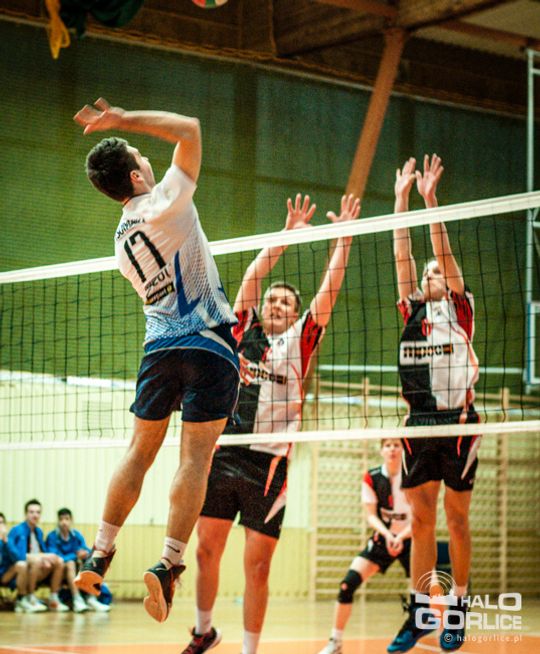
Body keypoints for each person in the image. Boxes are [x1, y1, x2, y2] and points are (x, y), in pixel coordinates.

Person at [72, 98, 240, 623]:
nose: (148, 158)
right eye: (140, 155)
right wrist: (122, 120)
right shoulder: (166, 200)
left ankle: (100, 551)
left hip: (158, 350)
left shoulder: (120, 240)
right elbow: (190, 127)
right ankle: (167, 564)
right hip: (209, 344)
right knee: (195, 459)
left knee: (139, 451)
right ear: (136, 176)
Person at [181, 193, 360, 654]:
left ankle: (249, 650)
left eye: (286, 302)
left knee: (257, 566)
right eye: (273, 300)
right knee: (205, 549)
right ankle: (204, 632)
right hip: (224, 452)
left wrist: (342, 241)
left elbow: (328, 294)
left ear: (296, 313)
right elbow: (252, 277)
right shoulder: (243, 330)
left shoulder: (301, 341)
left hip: (269, 464)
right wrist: (284, 236)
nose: (277, 305)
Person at [389, 155, 481, 653]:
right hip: (418, 423)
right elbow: (402, 255)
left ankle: (458, 608)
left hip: (459, 420)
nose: (431, 275)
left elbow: (440, 252)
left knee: (456, 517)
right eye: (427, 274)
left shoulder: (460, 309)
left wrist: (430, 202)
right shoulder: (412, 310)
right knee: (421, 520)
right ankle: (423, 612)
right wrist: (400, 201)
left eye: (437, 273)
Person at [318, 439, 412, 654]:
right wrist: (388, 535)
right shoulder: (372, 477)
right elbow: (371, 516)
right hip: (383, 539)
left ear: (403, 449)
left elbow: (421, 516)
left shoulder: (413, 475)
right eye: (387, 445)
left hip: (411, 539)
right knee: (347, 585)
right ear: (381, 450)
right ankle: (335, 642)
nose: (392, 449)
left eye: (396, 445)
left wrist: (401, 536)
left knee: (432, 589)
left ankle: (447, 638)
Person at [8, 500, 69, 612]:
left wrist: (46, 559)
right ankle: (30, 597)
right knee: (36, 560)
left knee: (59, 561)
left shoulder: (38, 532)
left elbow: (44, 551)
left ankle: (53, 598)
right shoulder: (16, 530)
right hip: (20, 569)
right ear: (25, 514)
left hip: (38, 569)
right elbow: (15, 556)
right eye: (31, 512)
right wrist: (41, 557)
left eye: (38, 512)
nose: (35, 515)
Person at [46, 508, 111, 613]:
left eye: (67, 519)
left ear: (71, 520)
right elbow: (56, 558)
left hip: (76, 568)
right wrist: (75, 556)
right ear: (58, 521)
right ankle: (77, 599)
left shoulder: (77, 535)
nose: (64, 522)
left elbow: (85, 549)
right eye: (61, 519)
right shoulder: (52, 536)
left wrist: (87, 553)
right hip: (59, 570)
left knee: (92, 560)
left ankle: (91, 598)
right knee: (70, 563)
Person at [1, 512, 31, 612]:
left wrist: (7, 542)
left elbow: (17, 557)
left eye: (1, 523)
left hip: (5, 574)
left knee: (22, 565)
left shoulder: (7, 540)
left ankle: (21, 600)